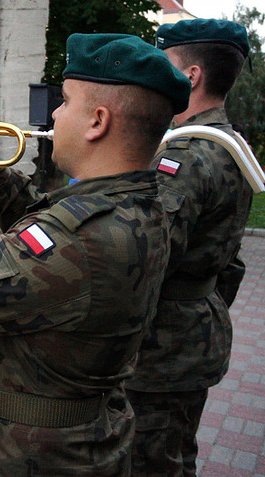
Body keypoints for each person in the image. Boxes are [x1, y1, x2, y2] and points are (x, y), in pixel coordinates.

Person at [0, 33, 191, 476]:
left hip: (28, 456)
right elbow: (41, 232)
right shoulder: (138, 203)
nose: (53, 114)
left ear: (97, 120)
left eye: (64, 101)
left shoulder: (86, 234)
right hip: (78, 443)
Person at [125, 19, 254, 476]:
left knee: (151, 464)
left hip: (163, 351)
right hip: (192, 335)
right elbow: (230, 263)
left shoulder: (184, 156)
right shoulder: (229, 145)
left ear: (190, 76)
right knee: (174, 454)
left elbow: (145, 258)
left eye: (164, 65)